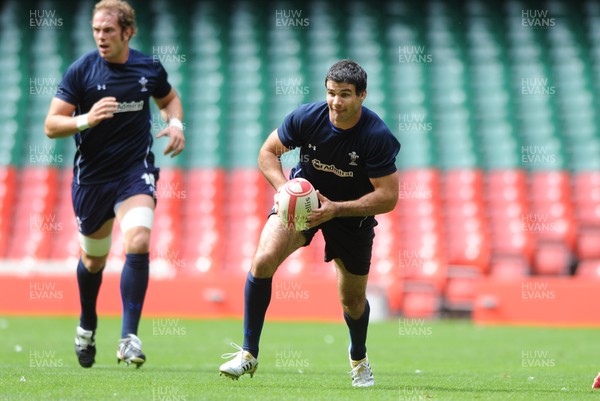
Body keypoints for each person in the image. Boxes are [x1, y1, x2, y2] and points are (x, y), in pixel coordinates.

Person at [219, 60, 400, 387]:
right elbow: (267, 153)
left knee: (352, 301)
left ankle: (358, 357)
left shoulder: (376, 136)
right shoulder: (307, 117)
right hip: (302, 202)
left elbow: (387, 197)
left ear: (362, 95)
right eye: (331, 93)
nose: (336, 102)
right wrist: (282, 189)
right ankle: (248, 354)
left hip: (350, 217)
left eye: (345, 94)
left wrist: (336, 209)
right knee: (262, 261)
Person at [44, 0, 184, 368]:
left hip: (134, 171)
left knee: (138, 239)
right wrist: (85, 119)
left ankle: (128, 338)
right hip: (92, 180)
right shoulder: (81, 71)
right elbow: (51, 124)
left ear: (128, 32)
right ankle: (87, 323)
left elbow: (168, 98)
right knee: (93, 261)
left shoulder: (148, 67)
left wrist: (176, 124)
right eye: (96, 30)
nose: (101, 37)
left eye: (108, 30)